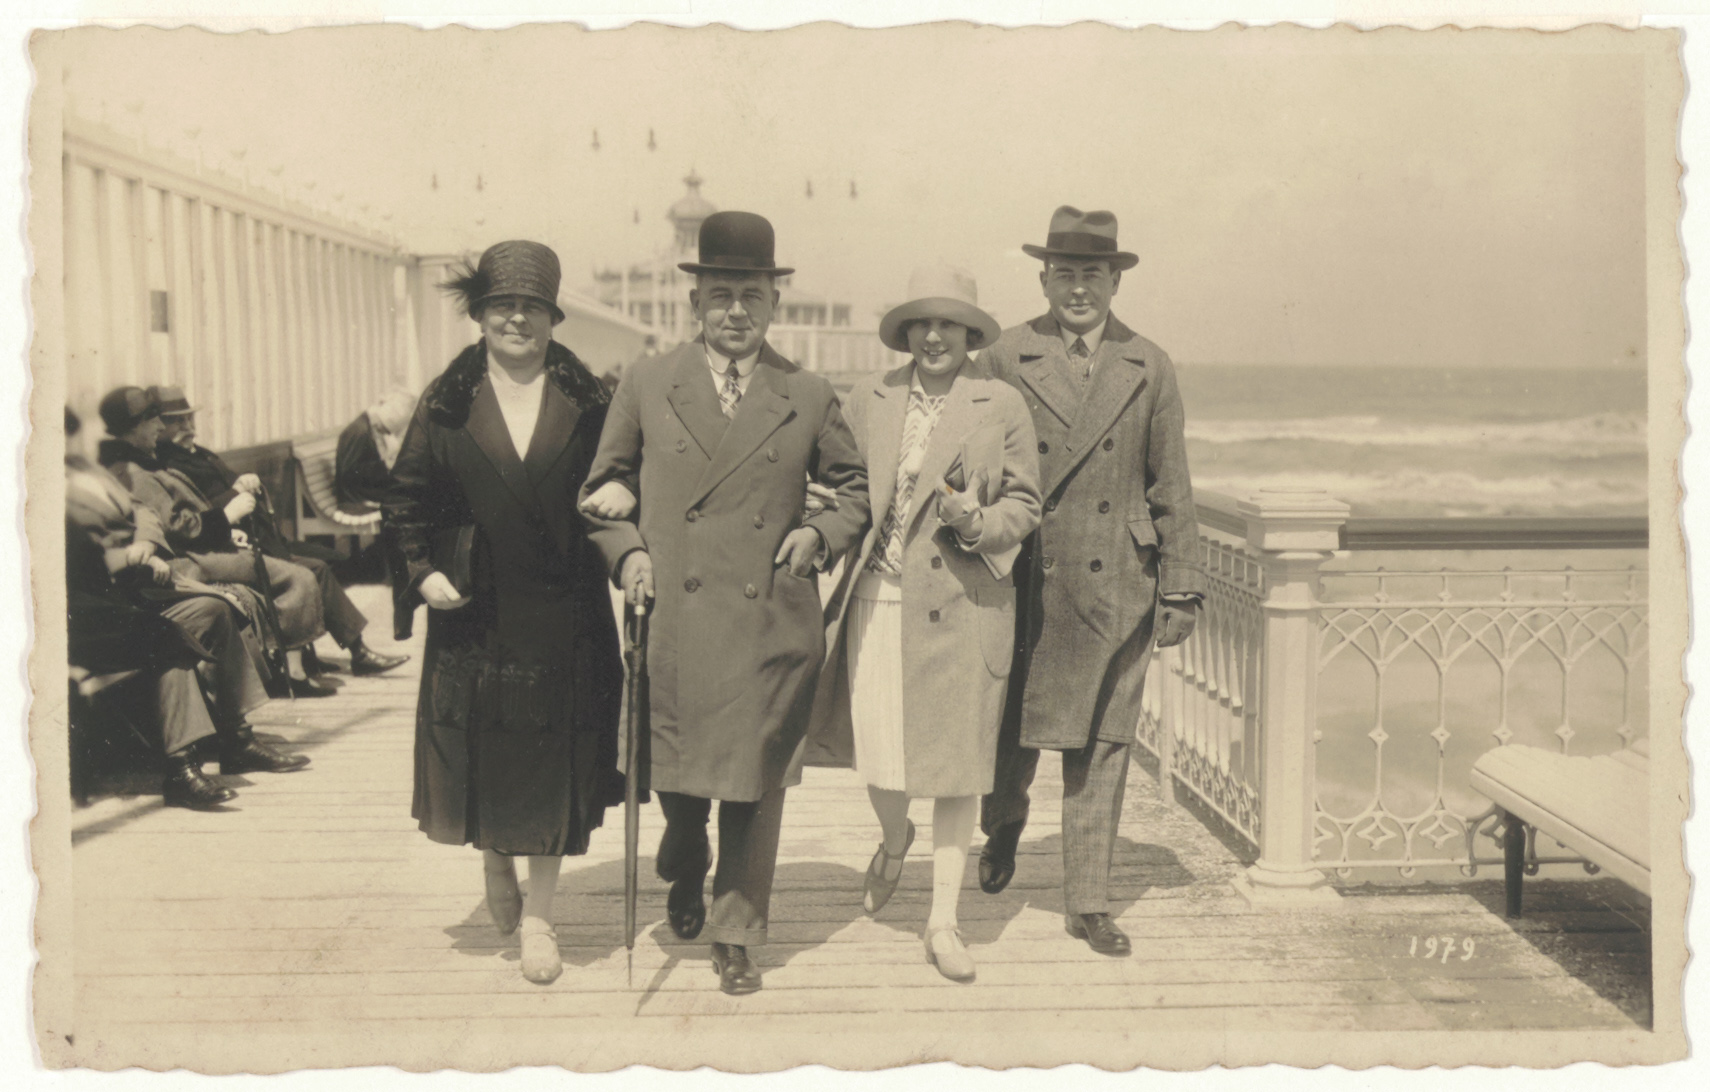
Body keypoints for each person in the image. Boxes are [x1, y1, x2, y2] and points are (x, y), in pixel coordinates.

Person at [579, 210, 870, 996]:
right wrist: (629, 552)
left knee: (755, 780)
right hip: (675, 616)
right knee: (680, 778)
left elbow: (854, 490)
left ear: (775, 303)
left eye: (751, 296)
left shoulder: (807, 393)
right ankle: (685, 852)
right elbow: (601, 491)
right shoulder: (647, 383)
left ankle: (737, 932)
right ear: (695, 303)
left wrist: (819, 534)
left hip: (768, 618)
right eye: (720, 296)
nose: (736, 311)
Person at [384, 240, 628, 986]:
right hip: (475, 611)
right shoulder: (446, 401)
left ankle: (541, 919)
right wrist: (422, 573)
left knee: (553, 766)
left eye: (531, 307)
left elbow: (627, 473)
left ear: (553, 319)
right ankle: (495, 860)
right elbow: (404, 501)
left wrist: (625, 489)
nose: (516, 319)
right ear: (480, 315)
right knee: (488, 755)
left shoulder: (591, 401)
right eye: (502, 306)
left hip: (565, 609)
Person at [975, 207, 1205, 957]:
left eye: (1093, 275)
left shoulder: (1149, 363)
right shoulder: (1005, 355)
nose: (1079, 289)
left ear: (1114, 282)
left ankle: (1090, 902)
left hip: (1119, 581)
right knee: (1010, 731)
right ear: (1044, 279)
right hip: (1024, 581)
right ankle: (1003, 823)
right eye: (1066, 274)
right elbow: (973, 467)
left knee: (1104, 743)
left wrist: (1182, 586)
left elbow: (1171, 482)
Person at [804, 265, 1041, 981]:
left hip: (966, 603)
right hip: (879, 598)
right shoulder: (869, 396)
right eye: (922, 324)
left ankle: (943, 921)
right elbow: (843, 487)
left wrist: (975, 521)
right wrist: (817, 508)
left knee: (957, 768)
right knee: (882, 758)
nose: (935, 337)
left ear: (971, 333)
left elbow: (1025, 504)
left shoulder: (1000, 402)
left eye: (949, 324)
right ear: (906, 332)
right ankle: (892, 836)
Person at [66, 407, 307, 804]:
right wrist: (129, 558)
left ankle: (237, 740)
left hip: (134, 595)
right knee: (167, 638)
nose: (67, 445)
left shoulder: (86, 472)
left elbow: (141, 509)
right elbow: (65, 565)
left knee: (214, 611)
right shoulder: (32, 490)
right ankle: (181, 769)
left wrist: (145, 543)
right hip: (84, 611)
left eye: (68, 434)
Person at [152, 386, 410, 679]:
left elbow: (228, 485)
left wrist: (244, 480)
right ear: (159, 425)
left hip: (263, 537)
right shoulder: (169, 465)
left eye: (189, 419)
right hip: (231, 545)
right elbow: (198, 511)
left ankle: (317, 655)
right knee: (315, 569)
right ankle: (355, 653)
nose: (188, 427)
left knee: (328, 560)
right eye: (177, 421)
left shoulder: (198, 454)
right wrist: (234, 493)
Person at [96, 387, 333, 698]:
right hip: (188, 562)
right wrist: (226, 518)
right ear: (134, 426)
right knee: (297, 576)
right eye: (153, 420)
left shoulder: (141, 462)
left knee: (292, 571)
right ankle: (293, 672)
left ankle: (290, 668)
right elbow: (174, 526)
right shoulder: (133, 471)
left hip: (199, 552)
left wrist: (225, 531)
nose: (159, 426)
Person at [336, 386, 417, 509]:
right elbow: (348, 474)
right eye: (384, 430)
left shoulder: (366, 426)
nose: (385, 434)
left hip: (362, 491)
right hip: (356, 498)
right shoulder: (360, 431)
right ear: (379, 423)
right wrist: (385, 466)